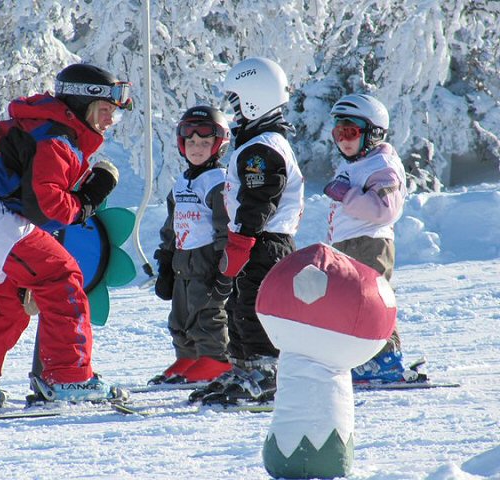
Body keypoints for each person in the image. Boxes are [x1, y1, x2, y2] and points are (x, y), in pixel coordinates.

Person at [0, 63, 133, 410]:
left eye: (114, 114)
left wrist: (81, 198)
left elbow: (32, 206)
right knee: (62, 275)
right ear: (82, 106)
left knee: (10, 300)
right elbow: (47, 207)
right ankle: (69, 378)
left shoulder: (38, 128)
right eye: (106, 110)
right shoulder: (56, 137)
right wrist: (87, 201)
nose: (110, 121)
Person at [191, 57, 305, 405]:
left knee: (255, 305)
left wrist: (241, 242)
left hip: (264, 241)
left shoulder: (262, 148)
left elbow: (259, 201)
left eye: (238, 102)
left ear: (256, 97)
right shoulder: (257, 142)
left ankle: (265, 371)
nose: (236, 112)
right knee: (239, 304)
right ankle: (244, 367)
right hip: (257, 239)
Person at [324, 93, 411, 382]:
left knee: (373, 302)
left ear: (373, 133)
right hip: (348, 245)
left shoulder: (382, 165)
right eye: (339, 132)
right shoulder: (355, 163)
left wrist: (347, 194)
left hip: (370, 244)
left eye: (351, 132)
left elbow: (386, 210)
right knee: (350, 304)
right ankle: (363, 358)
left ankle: (385, 359)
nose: (343, 139)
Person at [149, 106, 233, 385]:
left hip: (207, 259)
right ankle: (188, 356)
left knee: (206, 310)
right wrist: (165, 260)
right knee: (181, 313)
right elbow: (172, 225)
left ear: (218, 146)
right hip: (182, 259)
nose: (197, 148)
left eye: (205, 143)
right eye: (191, 142)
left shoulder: (218, 181)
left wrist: (224, 263)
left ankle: (214, 359)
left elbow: (225, 226)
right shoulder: (181, 182)